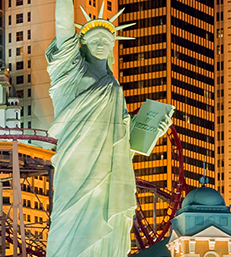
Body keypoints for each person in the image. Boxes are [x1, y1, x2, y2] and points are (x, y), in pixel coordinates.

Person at [45, 1, 171, 256]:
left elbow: (123, 142)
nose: (101, 44)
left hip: (112, 170)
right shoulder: (70, 72)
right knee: (67, 224)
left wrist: (153, 130)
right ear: (82, 44)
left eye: (106, 40)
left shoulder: (114, 86)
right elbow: (63, 25)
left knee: (111, 231)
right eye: (94, 40)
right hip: (77, 164)